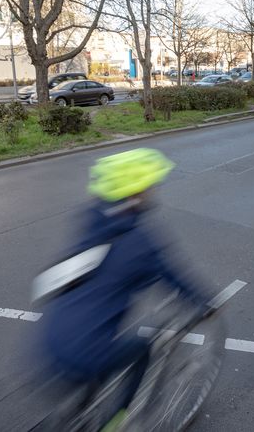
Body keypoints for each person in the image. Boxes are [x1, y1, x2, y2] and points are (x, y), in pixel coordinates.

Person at [39, 148, 212, 427]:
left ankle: (81, 408)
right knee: (142, 351)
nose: (154, 190)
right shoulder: (139, 242)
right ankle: (116, 421)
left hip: (47, 345)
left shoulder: (92, 217)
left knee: (95, 346)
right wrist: (206, 303)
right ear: (135, 192)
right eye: (149, 186)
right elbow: (175, 279)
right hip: (84, 355)